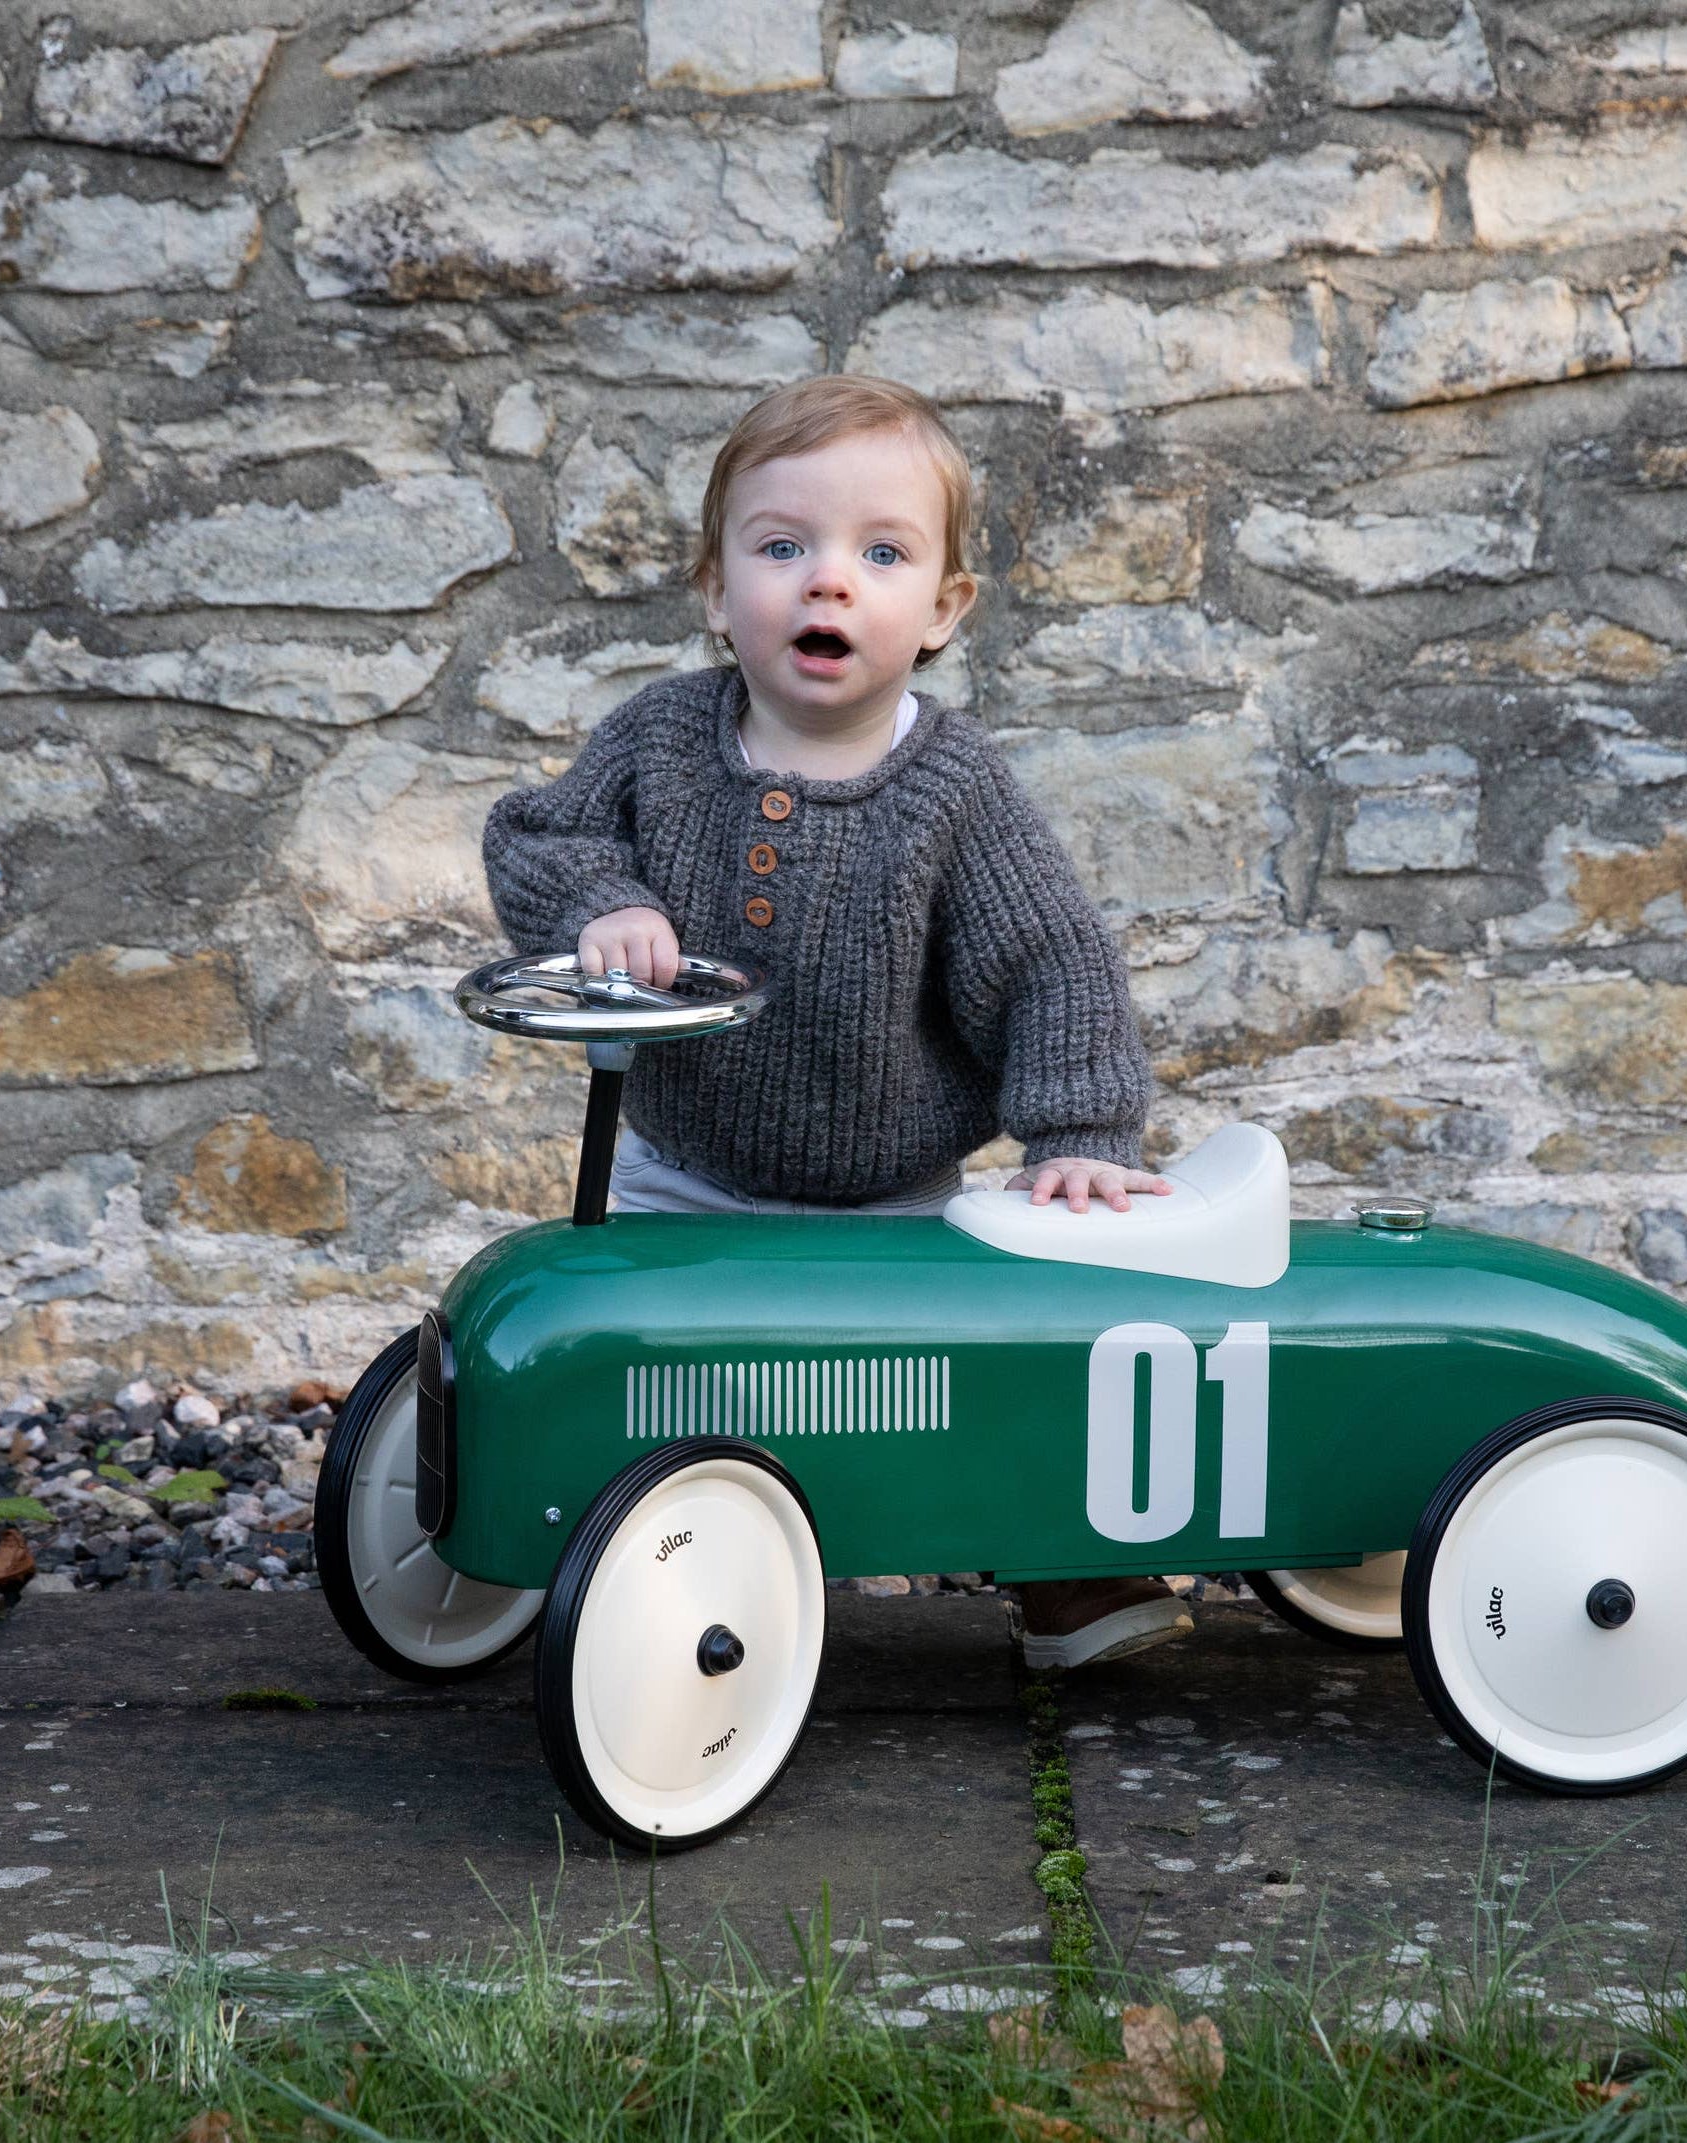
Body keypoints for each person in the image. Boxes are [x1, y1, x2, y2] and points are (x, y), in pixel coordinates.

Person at [481, 373, 1191, 1671]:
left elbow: (1050, 959)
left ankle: (1058, 1563)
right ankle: (606, 1550)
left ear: (941, 610)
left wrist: (1080, 1131)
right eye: (782, 547)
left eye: (880, 553)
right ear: (714, 590)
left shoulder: (955, 790)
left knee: (968, 1386)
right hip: (682, 1173)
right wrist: (602, 906)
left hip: (892, 1193)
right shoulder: (658, 742)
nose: (828, 583)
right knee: (647, 1377)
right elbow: (542, 834)